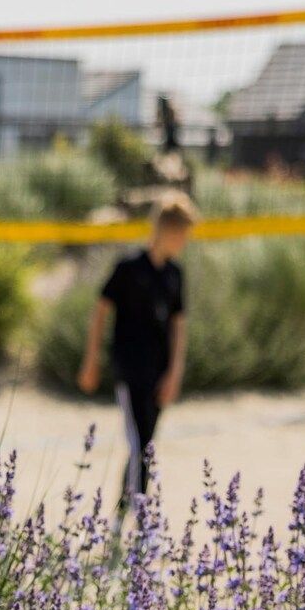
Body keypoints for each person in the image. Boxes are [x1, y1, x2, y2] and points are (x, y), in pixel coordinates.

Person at [77, 193, 194, 506]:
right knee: (140, 444)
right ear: (167, 230)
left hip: (159, 372)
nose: (185, 240)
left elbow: (178, 327)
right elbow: (101, 311)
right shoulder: (128, 268)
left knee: (145, 445)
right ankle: (138, 523)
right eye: (182, 233)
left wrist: (175, 374)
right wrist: (91, 360)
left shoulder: (174, 275)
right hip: (129, 370)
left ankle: (121, 512)